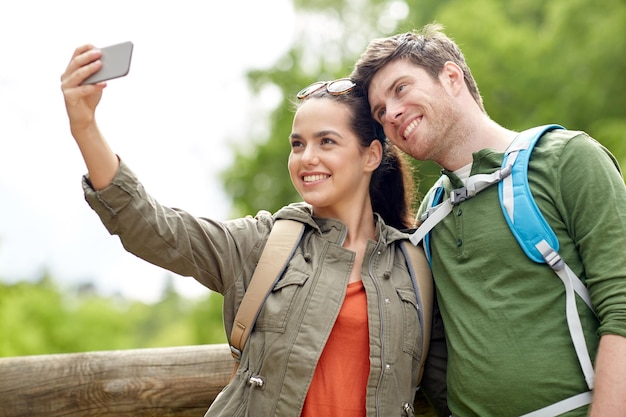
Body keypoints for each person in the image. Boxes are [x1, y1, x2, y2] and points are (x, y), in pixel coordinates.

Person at [60, 44, 433, 417]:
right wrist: (84, 126)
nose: (307, 158)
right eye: (297, 144)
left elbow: (453, 383)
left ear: (370, 155)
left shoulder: (414, 268)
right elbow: (153, 227)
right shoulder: (265, 243)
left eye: (327, 142)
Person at [350, 23, 626, 417]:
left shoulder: (567, 159)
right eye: (380, 111)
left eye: (401, 89)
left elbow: (622, 307)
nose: (391, 113)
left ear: (450, 77)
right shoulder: (430, 215)